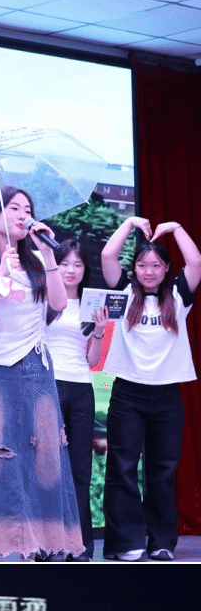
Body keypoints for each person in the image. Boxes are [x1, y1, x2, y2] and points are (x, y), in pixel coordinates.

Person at [0, 187, 82, 561]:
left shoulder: (37, 259)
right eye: (13, 208)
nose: (22, 215)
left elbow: (58, 303)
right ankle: (11, 546)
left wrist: (49, 255)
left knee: (46, 457)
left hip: (36, 367)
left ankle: (48, 544)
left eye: (27, 209)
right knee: (1, 457)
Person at [96, 216, 201, 561]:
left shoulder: (178, 296)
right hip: (128, 393)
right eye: (142, 265)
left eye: (156, 265)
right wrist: (128, 223)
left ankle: (161, 542)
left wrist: (174, 228)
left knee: (162, 470)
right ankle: (126, 542)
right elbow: (107, 256)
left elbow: (196, 262)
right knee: (123, 467)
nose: (149, 271)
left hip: (167, 394)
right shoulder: (125, 292)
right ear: (135, 269)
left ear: (167, 268)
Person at [43, 237, 100, 558]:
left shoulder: (91, 305)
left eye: (77, 264)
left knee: (80, 469)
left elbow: (92, 360)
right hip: (48, 386)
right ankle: (46, 544)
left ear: (84, 269)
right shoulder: (44, 299)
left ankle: (80, 546)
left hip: (81, 388)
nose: (70, 270)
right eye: (64, 263)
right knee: (48, 468)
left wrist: (100, 330)